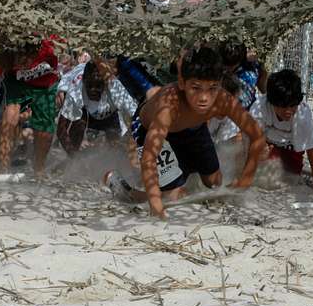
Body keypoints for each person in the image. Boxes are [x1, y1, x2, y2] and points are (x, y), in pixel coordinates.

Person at [106, 46, 265, 219]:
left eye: (212, 88)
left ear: (219, 83)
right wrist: (156, 208)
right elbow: (149, 156)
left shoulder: (223, 100)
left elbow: (257, 136)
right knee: (172, 197)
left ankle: (181, 179)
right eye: (196, 88)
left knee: (214, 183)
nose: (204, 97)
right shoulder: (169, 106)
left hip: (192, 128)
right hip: (150, 128)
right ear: (182, 83)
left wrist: (245, 179)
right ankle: (126, 190)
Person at [0, 36, 60, 177]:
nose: (19, 66)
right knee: (10, 116)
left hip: (46, 85)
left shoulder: (49, 46)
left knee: (44, 131)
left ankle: (39, 168)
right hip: (17, 83)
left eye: (21, 63)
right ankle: (3, 168)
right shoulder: (5, 57)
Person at [250, 69, 313, 190]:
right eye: (283, 106)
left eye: (292, 106)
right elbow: (251, 137)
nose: (288, 111)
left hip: (291, 151)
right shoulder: (259, 107)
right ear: (271, 102)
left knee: (288, 178)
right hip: (266, 146)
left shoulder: (302, 115)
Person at [57, 59, 137, 156]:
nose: (93, 90)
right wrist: (74, 157)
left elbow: (136, 119)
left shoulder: (116, 88)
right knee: (78, 124)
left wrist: (129, 144)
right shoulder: (75, 92)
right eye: (89, 86)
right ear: (84, 81)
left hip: (110, 114)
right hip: (85, 113)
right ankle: (73, 157)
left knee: (116, 146)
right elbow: (61, 130)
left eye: (98, 86)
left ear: (105, 83)